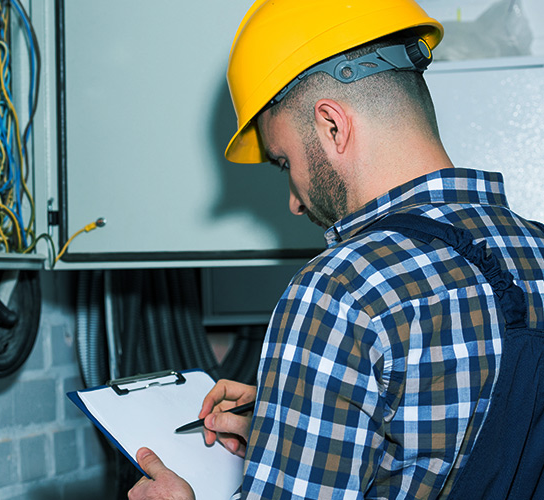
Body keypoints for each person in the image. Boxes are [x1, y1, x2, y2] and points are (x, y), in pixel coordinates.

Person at [129, 0, 544, 498]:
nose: (294, 203)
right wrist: (300, 416)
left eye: (284, 162)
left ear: (332, 126)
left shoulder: (342, 290)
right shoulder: (536, 250)